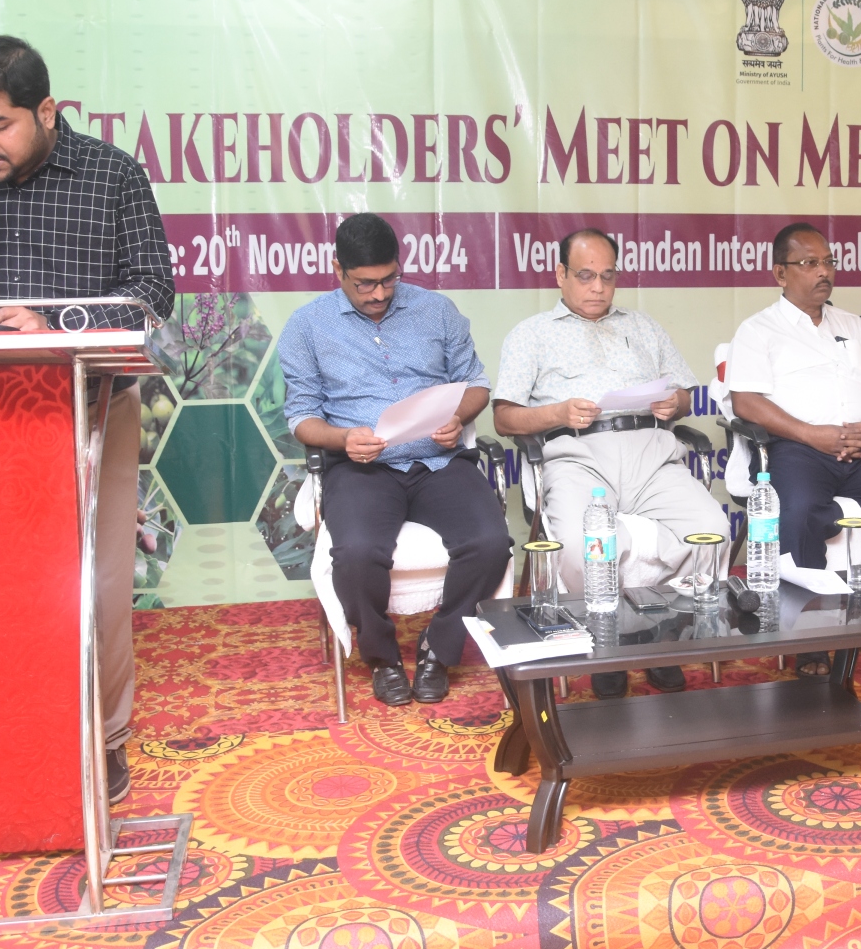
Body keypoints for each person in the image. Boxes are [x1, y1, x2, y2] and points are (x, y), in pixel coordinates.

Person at [0, 36, 174, 803]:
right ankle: (5, 740)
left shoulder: (113, 175)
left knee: (95, 587)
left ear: (46, 111)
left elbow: (153, 290)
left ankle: (104, 741)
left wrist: (53, 325)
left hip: (91, 410)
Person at [281, 213, 509, 706]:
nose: (380, 294)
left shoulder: (437, 310)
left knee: (491, 542)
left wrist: (457, 416)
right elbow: (301, 417)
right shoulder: (307, 326)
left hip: (439, 461)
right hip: (360, 468)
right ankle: (381, 656)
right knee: (358, 552)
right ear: (338, 269)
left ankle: (438, 648)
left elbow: (476, 384)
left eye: (389, 279)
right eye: (365, 284)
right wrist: (343, 438)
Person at [494, 228, 725, 699]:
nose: (598, 287)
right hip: (578, 455)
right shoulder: (531, 334)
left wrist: (675, 403)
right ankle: (607, 640)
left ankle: (665, 637)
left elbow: (684, 394)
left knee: (712, 531)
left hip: (651, 452)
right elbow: (504, 417)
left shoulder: (644, 327)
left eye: (608, 276)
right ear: (560, 274)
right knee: (579, 548)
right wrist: (557, 413)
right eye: (585, 276)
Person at [726, 222, 861, 677]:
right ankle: (810, 641)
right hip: (800, 450)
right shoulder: (758, 330)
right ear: (780, 273)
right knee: (799, 511)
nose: (823, 272)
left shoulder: (856, 326)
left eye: (828, 262)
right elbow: (745, 401)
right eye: (809, 263)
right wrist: (809, 434)